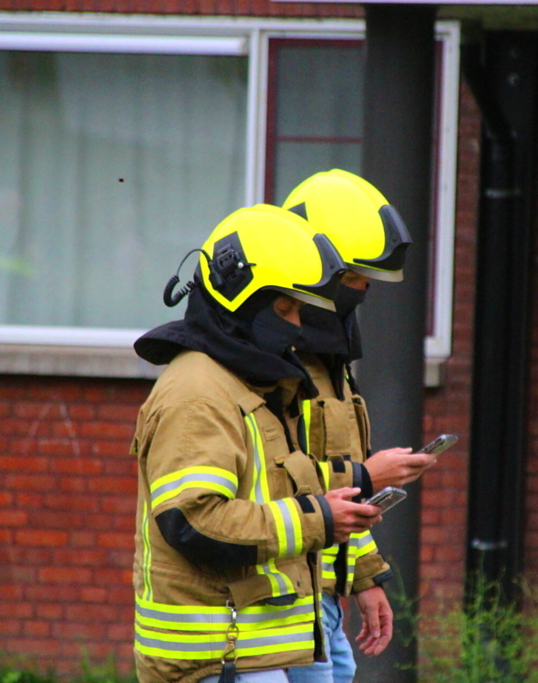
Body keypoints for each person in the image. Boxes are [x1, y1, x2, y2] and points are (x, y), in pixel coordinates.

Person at [130, 204, 386, 683]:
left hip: (256, 648)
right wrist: (321, 518)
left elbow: (283, 488)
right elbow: (194, 520)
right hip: (216, 655)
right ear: (242, 301)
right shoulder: (198, 395)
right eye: (284, 309)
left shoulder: (251, 385)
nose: (295, 326)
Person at [281, 169, 438, 683]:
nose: (364, 291)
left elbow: (336, 493)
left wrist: (364, 576)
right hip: (287, 599)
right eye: (353, 279)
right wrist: (370, 476)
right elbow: (282, 487)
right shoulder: (276, 368)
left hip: (322, 594)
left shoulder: (330, 363)